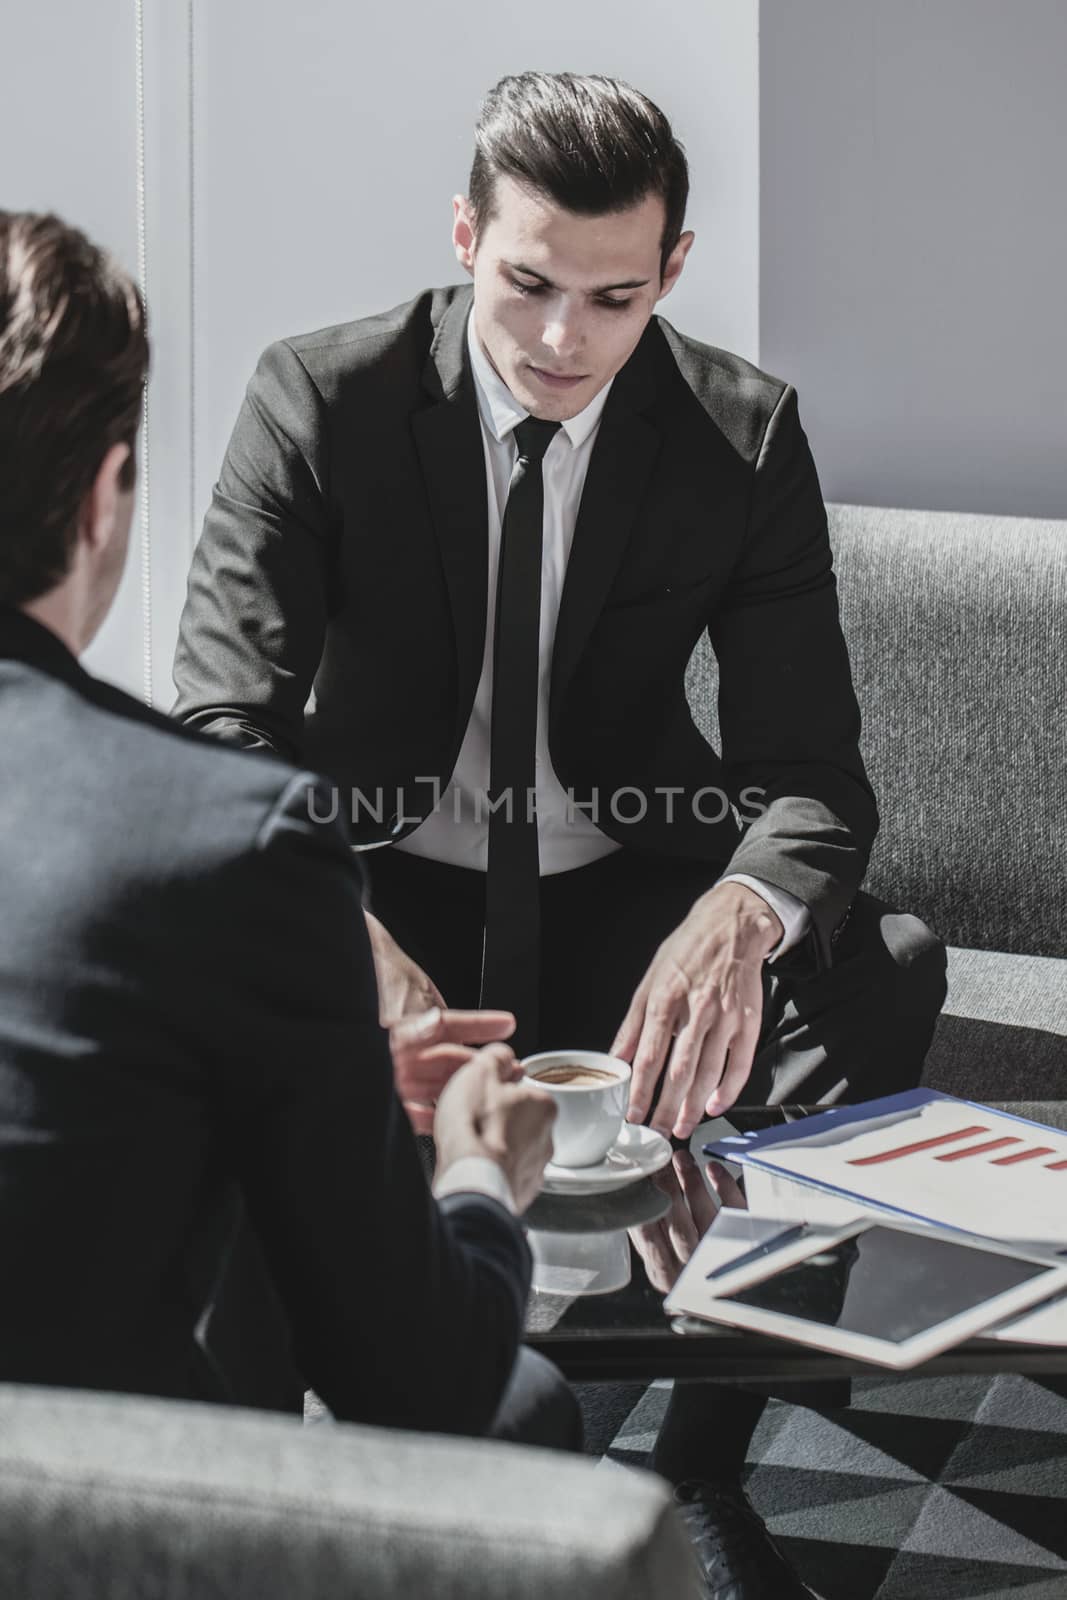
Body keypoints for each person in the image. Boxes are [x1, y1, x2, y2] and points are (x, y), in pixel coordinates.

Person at [172, 72, 948, 1596]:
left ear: (667, 271)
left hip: (619, 903)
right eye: (525, 284)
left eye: (608, 298)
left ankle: (692, 1454)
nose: (556, 341)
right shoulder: (317, 398)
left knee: (884, 966)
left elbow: (810, 774)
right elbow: (220, 729)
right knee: (215, 1001)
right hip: (385, 893)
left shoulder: (738, 434)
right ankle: (259, 1486)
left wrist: (732, 915)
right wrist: (339, 927)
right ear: (464, 236)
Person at [0, 208, 576, 1450]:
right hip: (99, 1526)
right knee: (528, 1412)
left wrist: (318, 1074)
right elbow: (415, 1378)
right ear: (105, 497)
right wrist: (483, 1176)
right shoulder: (223, 835)